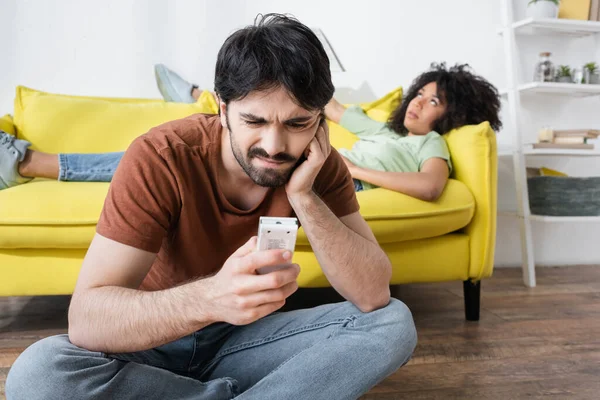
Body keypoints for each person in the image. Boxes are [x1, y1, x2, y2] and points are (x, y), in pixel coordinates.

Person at [5, 14, 417, 400]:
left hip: (247, 343)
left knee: (393, 323)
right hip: (148, 343)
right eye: (255, 121)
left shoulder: (317, 164)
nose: (275, 147)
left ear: (320, 121)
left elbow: (372, 294)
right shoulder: (161, 156)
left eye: (297, 124)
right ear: (222, 108)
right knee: (39, 373)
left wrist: (305, 198)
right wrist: (210, 298)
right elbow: (87, 319)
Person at [0, 63, 502, 201]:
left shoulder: (429, 145)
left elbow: (432, 186)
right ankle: (205, 94)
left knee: (179, 158)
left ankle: (27, 163)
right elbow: (328, 104)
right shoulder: (379, 127)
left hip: (342, 178)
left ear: (451, 114)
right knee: (177, 152)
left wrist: (355, 167)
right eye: (421, 91)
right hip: (325, 163)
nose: (419, 102)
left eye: (435, 100)